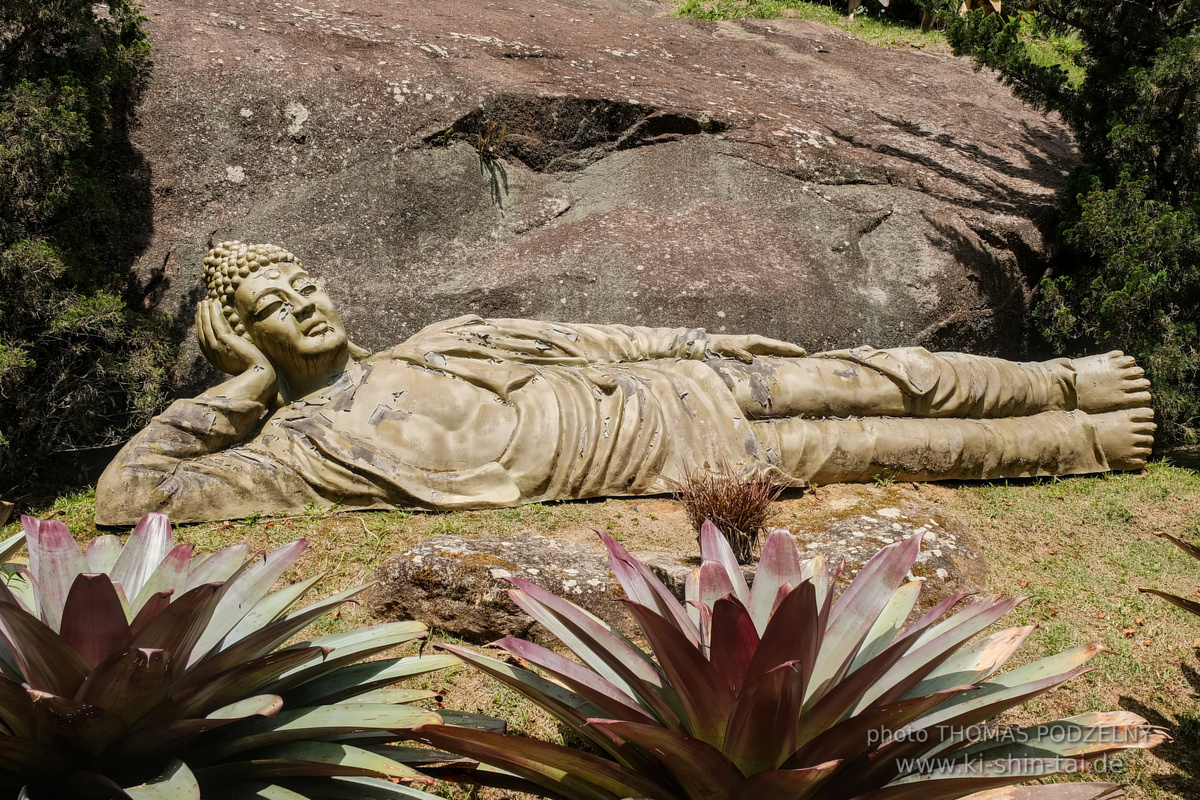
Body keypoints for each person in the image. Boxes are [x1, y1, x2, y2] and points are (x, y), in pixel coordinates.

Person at [94, 242, 1156, 525]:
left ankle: (1063, 378)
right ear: (244, 333)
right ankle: (1083, 441)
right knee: (888, 445)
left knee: (898, 373)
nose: (306, 306)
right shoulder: (303, 449)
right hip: (663, 456)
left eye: (308, 284)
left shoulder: (438, 341)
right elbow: (131, 496)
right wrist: (240, 385)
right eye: (274, 307)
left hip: (671, 386)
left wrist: (698, 336)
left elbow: (579, 335)